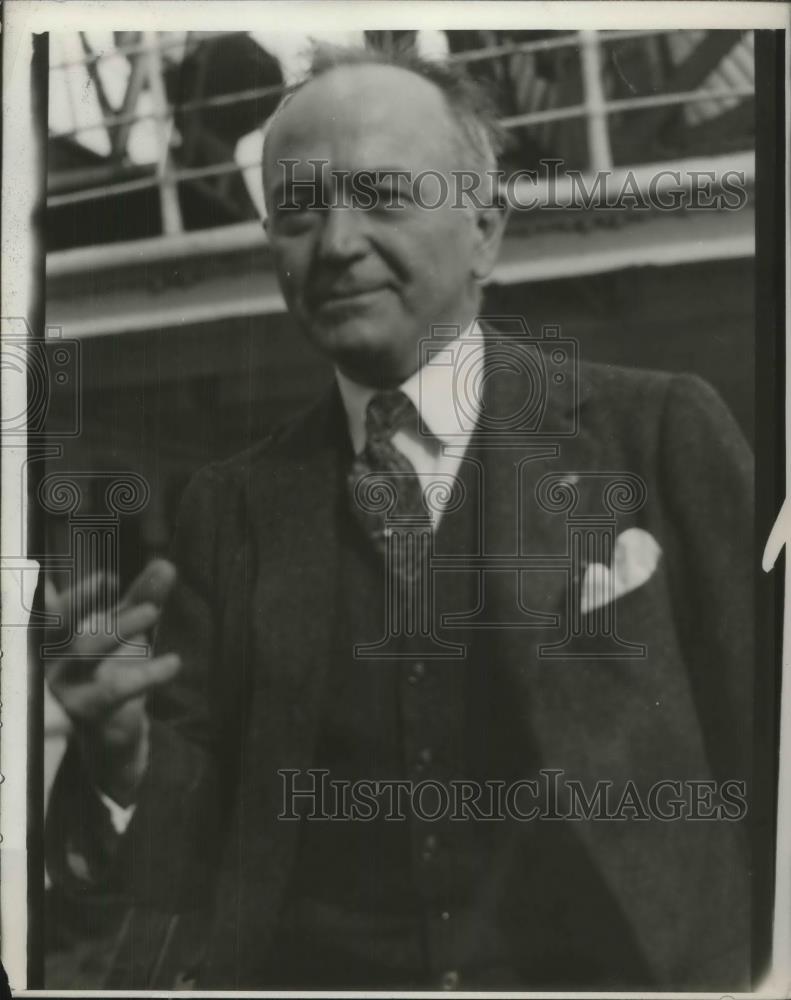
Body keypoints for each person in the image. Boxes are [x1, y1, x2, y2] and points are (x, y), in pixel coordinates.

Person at [46, 46, 754, 991]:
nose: (335, 243)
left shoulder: (659, 434)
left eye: (383, 194)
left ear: (485, 230)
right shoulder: (230, 509)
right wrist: (119, 762)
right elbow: (184, 862)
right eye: (297, 210)